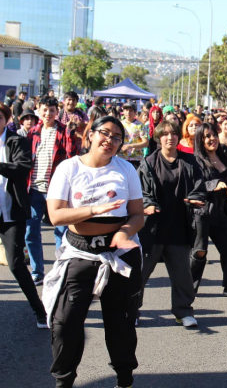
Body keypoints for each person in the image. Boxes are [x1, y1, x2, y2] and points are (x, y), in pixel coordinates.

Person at [44, 115, 145, 388]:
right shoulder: (68, 168)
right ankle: (63, 381)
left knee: (121, 324)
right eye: (105, 133)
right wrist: (93, 210)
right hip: (80, 255)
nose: (109, 141)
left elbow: (137, 215)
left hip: (119, 256)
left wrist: (124, 232)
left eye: (117, 138)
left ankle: (124, 379)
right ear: (90, 134)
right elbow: (55, 215)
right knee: (65, 323)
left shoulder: (126, 170)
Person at [137, 120, 207, 327]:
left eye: (173, 133)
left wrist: (196, 198)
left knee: (182, 275)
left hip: (179, 227)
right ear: (159, 138)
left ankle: (183, 311)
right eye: (165, 134)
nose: (170, 137)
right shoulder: (148, 162)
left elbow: (199, 187)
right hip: (153, 229)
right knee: (140, 274)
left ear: (178, 137)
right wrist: (148, 204)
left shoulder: (189, 161)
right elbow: (142, 192)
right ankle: (131, 311)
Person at [0, 103, 47, 328]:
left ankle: (39, 310)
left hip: (11, 213)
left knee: (16, 264)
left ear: (7, 119)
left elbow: (22, 167)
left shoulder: (16, 141)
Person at [25, 95, 78, 286]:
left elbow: (72, 160)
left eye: (52, 110)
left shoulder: (65, 133)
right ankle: (37, 271)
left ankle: (59, 271)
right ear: (38, 110)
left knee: (61, 232)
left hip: (57, 190)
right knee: (31, 231)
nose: (48, 114)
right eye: (44, 110)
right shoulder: (32, 133)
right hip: (35, 189)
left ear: (58, 112)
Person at [192, 123, 227, 296]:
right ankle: (189, 289)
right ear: (200, 139)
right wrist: (214, 185)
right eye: (206, 136)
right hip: (202, 214)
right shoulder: (195, 161)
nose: (211, 139)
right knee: (199, 253)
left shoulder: (224, 157)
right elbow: (193, 186)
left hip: (221, 212)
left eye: (213, 135)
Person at [118, 101, 148, 169]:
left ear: (135, 112)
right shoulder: (119, 124)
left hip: (135, 159)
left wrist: (130, 146)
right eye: (126, 110)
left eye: (131, 110)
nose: (128, 113)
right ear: (123, 112)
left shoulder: (140, 125)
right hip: (121, 158)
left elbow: (146, 143)